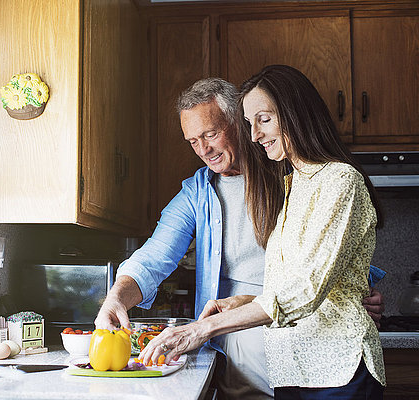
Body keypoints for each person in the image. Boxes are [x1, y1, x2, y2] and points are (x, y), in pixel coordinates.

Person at [95, 76, 385, 399]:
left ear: (237, 121)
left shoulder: (289, 173)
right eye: (193, 141)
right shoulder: (200, 193)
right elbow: (154, 256)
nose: (204, 149)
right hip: (243, 354)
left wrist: (361, 290)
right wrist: (116, 298)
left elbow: (324, 259)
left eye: (210, 134)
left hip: (306, 348)